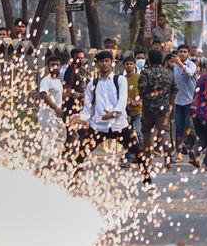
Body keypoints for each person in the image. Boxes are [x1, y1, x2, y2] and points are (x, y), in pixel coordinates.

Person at [65, 50, 151, 185]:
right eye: (101, 61)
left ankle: (147, 180)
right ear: (97, 64)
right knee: (81, 153)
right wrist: (80, 118)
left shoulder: (120, 80)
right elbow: (88, 107)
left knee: (137, 152)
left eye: (107, 61)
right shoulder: (92, 84)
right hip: (99, 126)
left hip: (119, 125)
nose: (104, 64)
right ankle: (73, 179)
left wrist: (114, 112)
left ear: (112, 63)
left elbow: (122, 100)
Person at [138, 50, 178, 168]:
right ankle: (169, 158)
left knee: (148, 133)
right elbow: (174, 89)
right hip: (164, 108)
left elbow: (141, 88)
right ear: (161, 60)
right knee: (164, 131)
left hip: (148, 108)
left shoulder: (145, 72)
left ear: (148, 59)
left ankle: (148, 159)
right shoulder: (168, 73)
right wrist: (170, 103)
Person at [173, 44, 198, 161]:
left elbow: (190, 73)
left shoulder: (191, 65)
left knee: (189, 127)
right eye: (180, 51)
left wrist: (180, 64)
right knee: (178, 127)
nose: (182, 54)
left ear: (188, 54)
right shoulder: (175, 67)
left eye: (184, 52)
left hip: (190, 101)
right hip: (178, 101)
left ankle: (194, 149)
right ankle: (178, 153)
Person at [62, 48, 89, 145]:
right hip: (71, 107)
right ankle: (66, 156)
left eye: (82, 58)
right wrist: (77, 94)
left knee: (82, 132)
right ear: (72, 58)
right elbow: (66, 88)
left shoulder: (82, 70)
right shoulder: (71, 70)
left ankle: (76, 156)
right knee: (72, 134)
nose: (80, 60)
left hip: (80, 107)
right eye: (78, 58)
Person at [123, 57, 143, 164]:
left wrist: (138, 101)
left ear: (134, 65)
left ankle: (142, 154)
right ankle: (128, 157)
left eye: (131, 63)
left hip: (138, 110)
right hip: (126, 111)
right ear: (124, 66)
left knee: (138, 132)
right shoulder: (122, 79)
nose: (129, 66)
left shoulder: (139, 78)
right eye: (127, 64)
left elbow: (144, 92)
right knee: (128, 134)